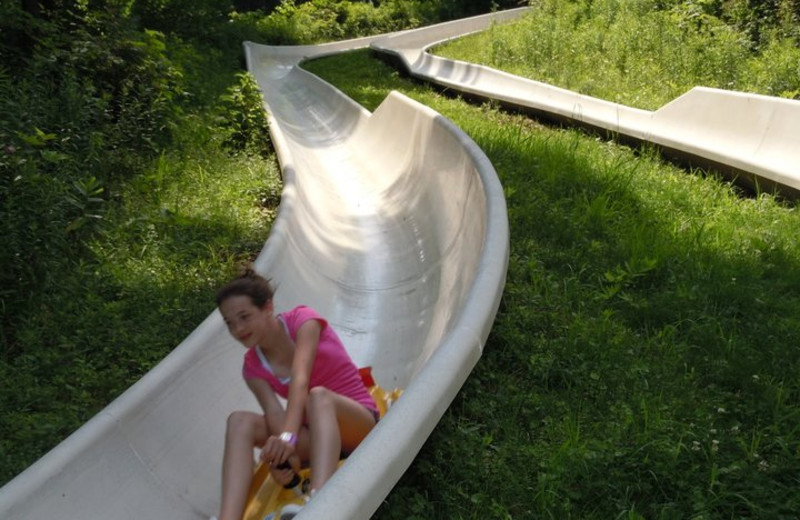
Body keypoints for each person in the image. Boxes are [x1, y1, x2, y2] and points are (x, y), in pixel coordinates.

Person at [212, 268, 379, 520]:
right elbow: (275, 415)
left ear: (267, 306)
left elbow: (300, 379)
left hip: (357, 424)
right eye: (230, 323)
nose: (238, 329)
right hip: (315, 437)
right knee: (239, 421)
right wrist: (281, 458)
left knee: (317, 395)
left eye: (244, 317)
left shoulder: (303, 321)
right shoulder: (252, 367)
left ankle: (319, 504)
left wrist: (287, 439)